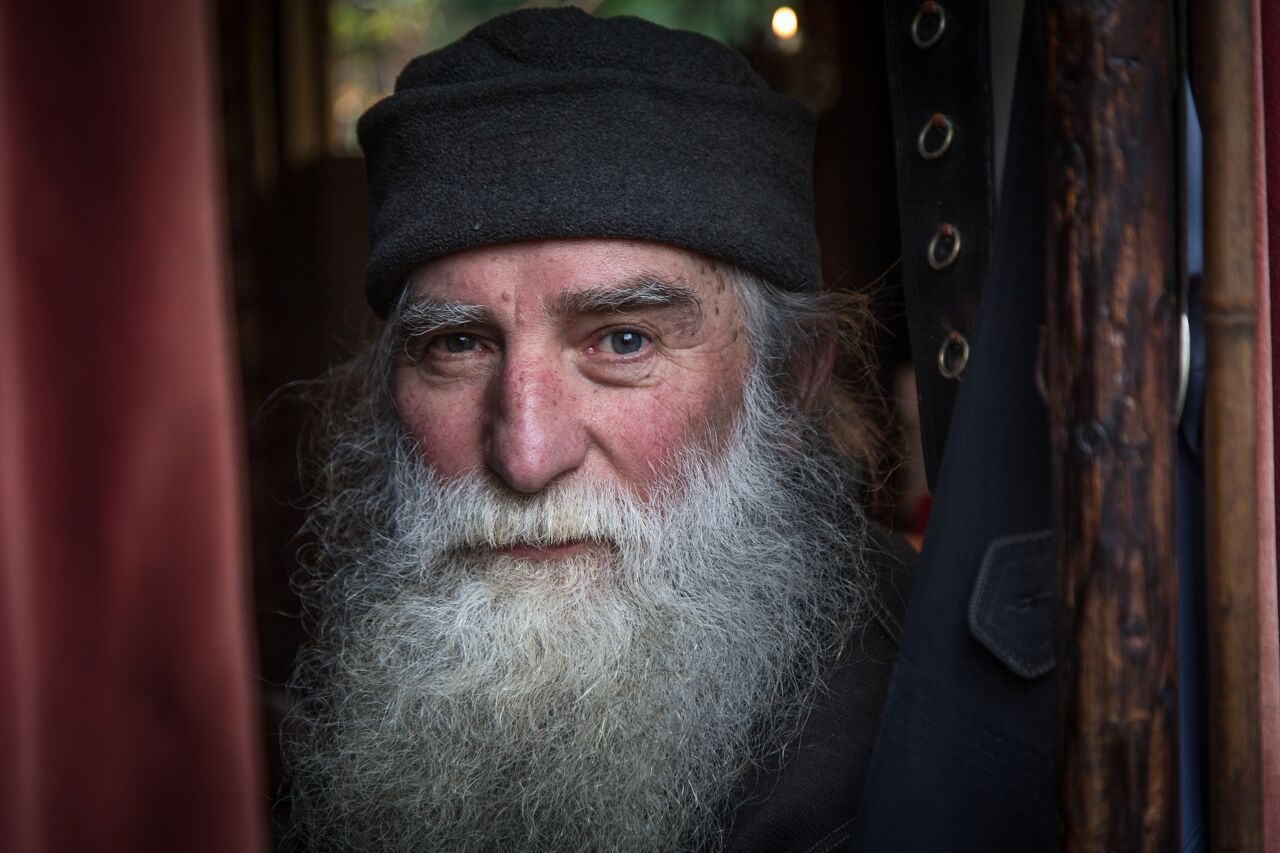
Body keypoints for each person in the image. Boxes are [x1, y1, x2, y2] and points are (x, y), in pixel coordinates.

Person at [283, 8, 913, 851]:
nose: (527, 454)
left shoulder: (931, 742)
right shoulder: (374, 694)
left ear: (790, 383)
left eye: (624, 341)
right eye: (457, 344)